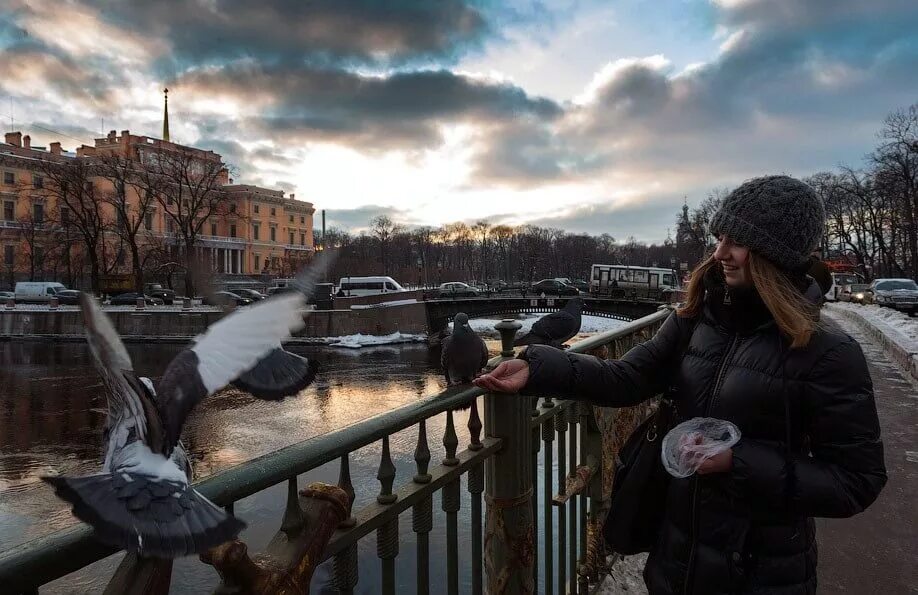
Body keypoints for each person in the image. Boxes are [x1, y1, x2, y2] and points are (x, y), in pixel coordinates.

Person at [475, 175, 887, 595]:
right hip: (675, 557)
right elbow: (630, 377)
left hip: (761, 572)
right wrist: (541, 369)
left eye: (737, 242)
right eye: (720, 237)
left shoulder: (828, 352)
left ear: (775, 255)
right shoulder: (697, 317)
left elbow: (856, 481)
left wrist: (738, 462)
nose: (720, 253)